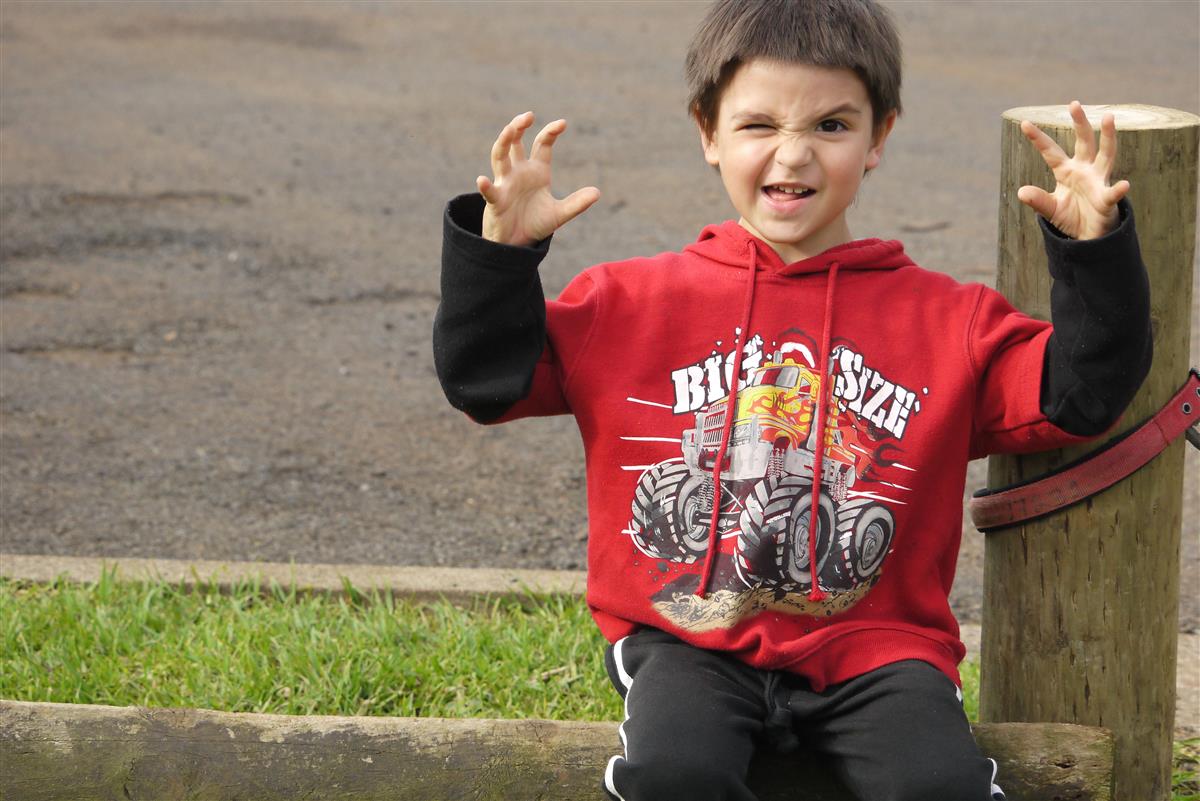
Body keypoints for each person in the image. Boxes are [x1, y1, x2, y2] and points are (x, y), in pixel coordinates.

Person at [432, 1, 1151, 798]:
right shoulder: (628, 303)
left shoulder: (950, 322)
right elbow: (484, 382)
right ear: (708, 131)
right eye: (758, 124)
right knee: (674, 772)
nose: (794, 153)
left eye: (832, 125)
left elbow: (1081, 393)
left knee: (935, 784)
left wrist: (1093, 252)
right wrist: (503, 257)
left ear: (879, 136)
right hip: (691, 643)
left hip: (879, 650)